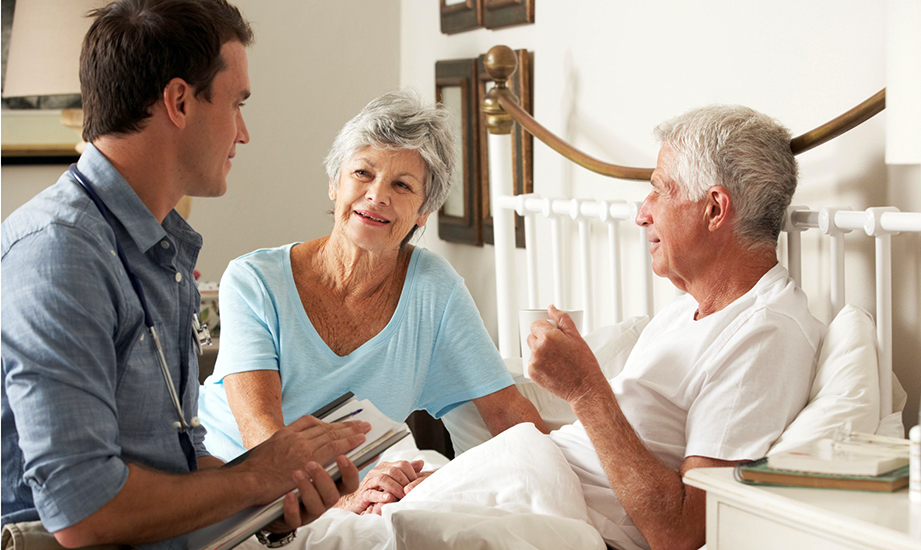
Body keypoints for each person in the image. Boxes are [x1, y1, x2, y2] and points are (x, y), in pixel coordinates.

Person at [1, 1, 369, 549]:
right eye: (237, 104)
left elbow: (175, 457)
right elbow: (85, 511)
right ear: (179, 101)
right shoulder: (60, 253)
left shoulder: (161, 251)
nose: (242, 134)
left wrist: (272, 500)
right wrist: (255, 478)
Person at [196, 90, 547, 509]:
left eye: (402, 185)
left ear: (423, 212)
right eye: (363, 173)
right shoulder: (254, 280)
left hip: (356, 491)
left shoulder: (435, 289)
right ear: (334, 183)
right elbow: (263, 441)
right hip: (237, 487)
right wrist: (344, 500)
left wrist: (568, 482)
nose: (377, 195)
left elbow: (508, 415)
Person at [526, 105, 825, 550]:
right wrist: (451, 478)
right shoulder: (679, 312)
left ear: (715, 208)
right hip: (522, 490)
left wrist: (586, 389)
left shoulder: (765, 334)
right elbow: (585, 453)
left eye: (659, 191)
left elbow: (682, 532)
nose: (641, 214)